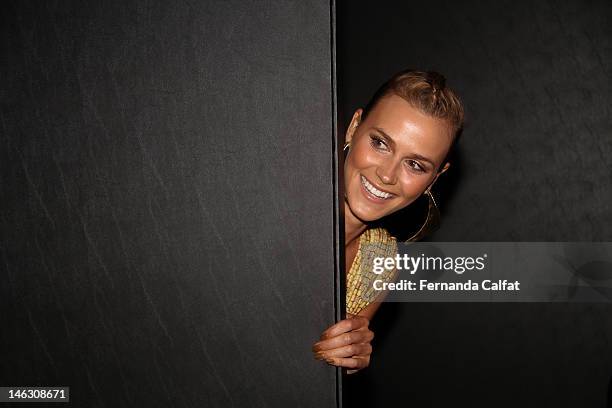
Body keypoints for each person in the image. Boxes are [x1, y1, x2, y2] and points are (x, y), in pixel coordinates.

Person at [312, 69, 465, 373]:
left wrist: (349, 354)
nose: (386, 174)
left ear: (436, 177)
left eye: (415, 164)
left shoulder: (379, 262)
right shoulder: (273, 200)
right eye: (380, 143)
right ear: (354, 127)